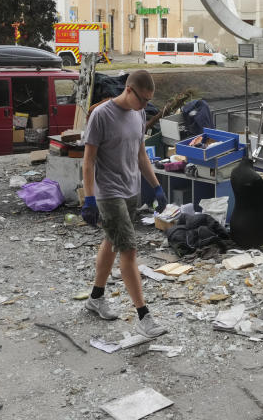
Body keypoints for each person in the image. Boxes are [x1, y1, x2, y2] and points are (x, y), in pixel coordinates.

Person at [81, 69, 169, 338]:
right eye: (142, 99)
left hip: (131, 190)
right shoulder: (101, 116)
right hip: (109, 193)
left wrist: (155, 186)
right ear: (129, 90)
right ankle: (144, 317)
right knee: (128, 251)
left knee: (112, 240)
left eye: (148, 101)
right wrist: (89, 197)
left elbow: (141, 153)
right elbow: (88, 160)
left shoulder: (139, 113)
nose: (145, 106)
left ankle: (95, 298)